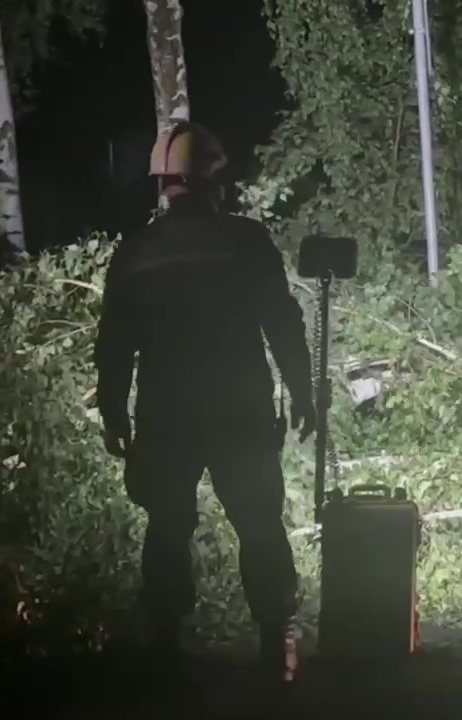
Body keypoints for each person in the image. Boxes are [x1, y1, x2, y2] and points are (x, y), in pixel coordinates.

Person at [93, 120, 316, 683]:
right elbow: (282, 324)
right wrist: (303, 393)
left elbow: (115, 339)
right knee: (259, 521)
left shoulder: (138, 251)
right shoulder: (245, 242)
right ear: (218, 178)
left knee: (166, 525)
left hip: (168, 413)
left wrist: (114, 411)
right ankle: (274, 639)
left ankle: (164, 644)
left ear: (163, 182)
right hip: (238, 406)